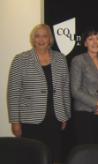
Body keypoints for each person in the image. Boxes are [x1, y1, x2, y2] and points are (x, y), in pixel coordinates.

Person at [7, 24, 71, 163]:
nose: (41, 39)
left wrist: (65, 115)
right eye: (37, 36)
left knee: (54, 157)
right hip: (30, 121)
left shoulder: (60, 58)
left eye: (45, 36)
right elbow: (13, 92)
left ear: (50, 39)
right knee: (32, 158)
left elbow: (65, 88)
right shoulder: (20, 59)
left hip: (55, 119)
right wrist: (15, 122)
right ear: (33, 39)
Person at [70, 28, 98, 145]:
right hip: (85, 114)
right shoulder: (78, 60)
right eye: (90, 39)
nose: (95, 42)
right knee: (87, 152)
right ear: (85, 43)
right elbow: (75, 90)